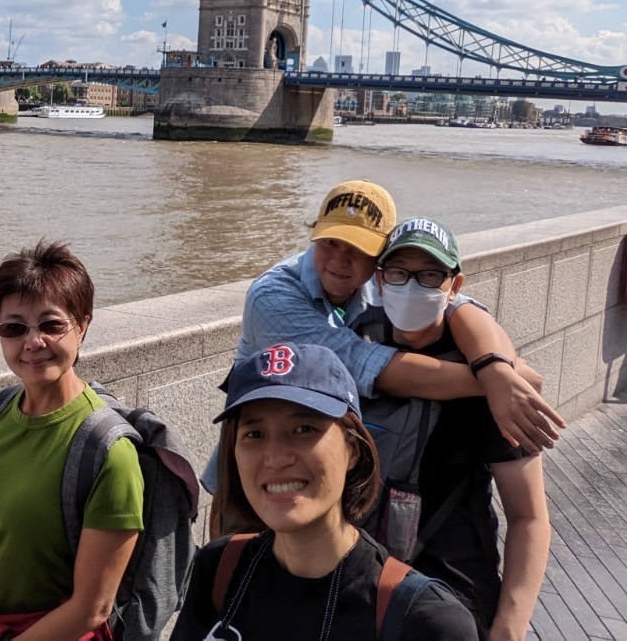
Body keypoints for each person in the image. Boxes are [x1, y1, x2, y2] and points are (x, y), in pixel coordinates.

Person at [172, 342, 478, 640]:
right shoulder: (219, 571)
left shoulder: (426, 621)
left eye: (304, 429)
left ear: (354, 449)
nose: (277, 458)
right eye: (255, 434)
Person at [238, 179, 563, 456]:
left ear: (379, 261)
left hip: (323, 457)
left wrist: (496, 369)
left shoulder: (379, 280)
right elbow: (359, 363)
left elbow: (461, 307)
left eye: (357, 250)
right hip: (257, 457)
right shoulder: (272, 296)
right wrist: (493, 384)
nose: (339, 260)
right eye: (330, 243)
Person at [0, 242, 144, 641]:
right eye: (14, 327)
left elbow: (93, 607)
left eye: (52, 325)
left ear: (83, 326)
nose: (33, 341)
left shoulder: (109, 451)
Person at [358, 218, 549, 641]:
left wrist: (510, 627)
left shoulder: (492, 384)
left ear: (455, 284)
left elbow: (529, 515)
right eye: (398, 272)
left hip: (455, 590)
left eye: (430, 275)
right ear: (379, 279)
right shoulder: (358, 349)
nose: (412, 287)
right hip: (361, 583)